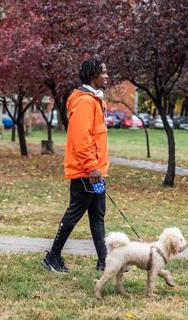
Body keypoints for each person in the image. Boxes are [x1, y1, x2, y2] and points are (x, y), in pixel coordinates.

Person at [42, 57, 109, 272]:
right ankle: (52, 257)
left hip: (97, 174)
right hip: (86, 173)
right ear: (93, 75)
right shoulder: (84, 101)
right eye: (104, 72)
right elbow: (81, 139)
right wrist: (91, 167)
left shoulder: (95, 99)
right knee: (74, 213)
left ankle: (104, 261)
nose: (107, 76)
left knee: (97, 214)